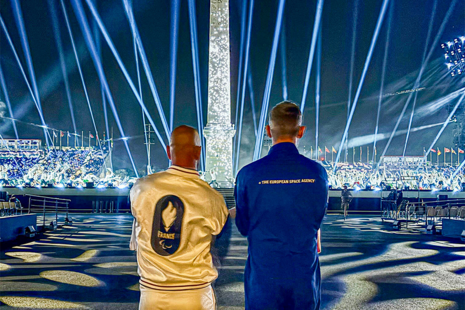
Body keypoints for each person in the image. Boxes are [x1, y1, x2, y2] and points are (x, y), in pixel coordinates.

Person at [234, 101, 328, 310]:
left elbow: (243, 226)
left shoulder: (248, 175)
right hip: (303, 277)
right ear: (301, 131)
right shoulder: (317, 173)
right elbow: (317, 217)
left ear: (268, 131)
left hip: (264, 278)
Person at [130, 125, 229, 310]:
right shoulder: (213, 198)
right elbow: (218, 233)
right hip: (194, 294)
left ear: (169, 151)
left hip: (152, 292)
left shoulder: (141, 188)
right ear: (199, 152)